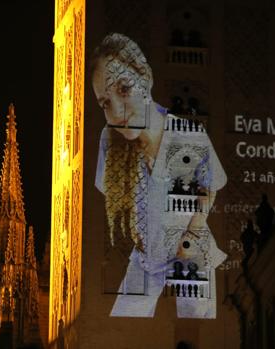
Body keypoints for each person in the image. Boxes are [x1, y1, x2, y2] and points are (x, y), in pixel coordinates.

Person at [92, 33, 227, 318]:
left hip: (190, 254)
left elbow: (210, 186)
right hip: (144, 259)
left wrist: (189, 235)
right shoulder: (110, 143)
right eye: (105, 102)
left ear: (146, 79)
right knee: (123, 325)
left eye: (124, 89)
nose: (116, 111)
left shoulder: (189, 134)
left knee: (195, 329)